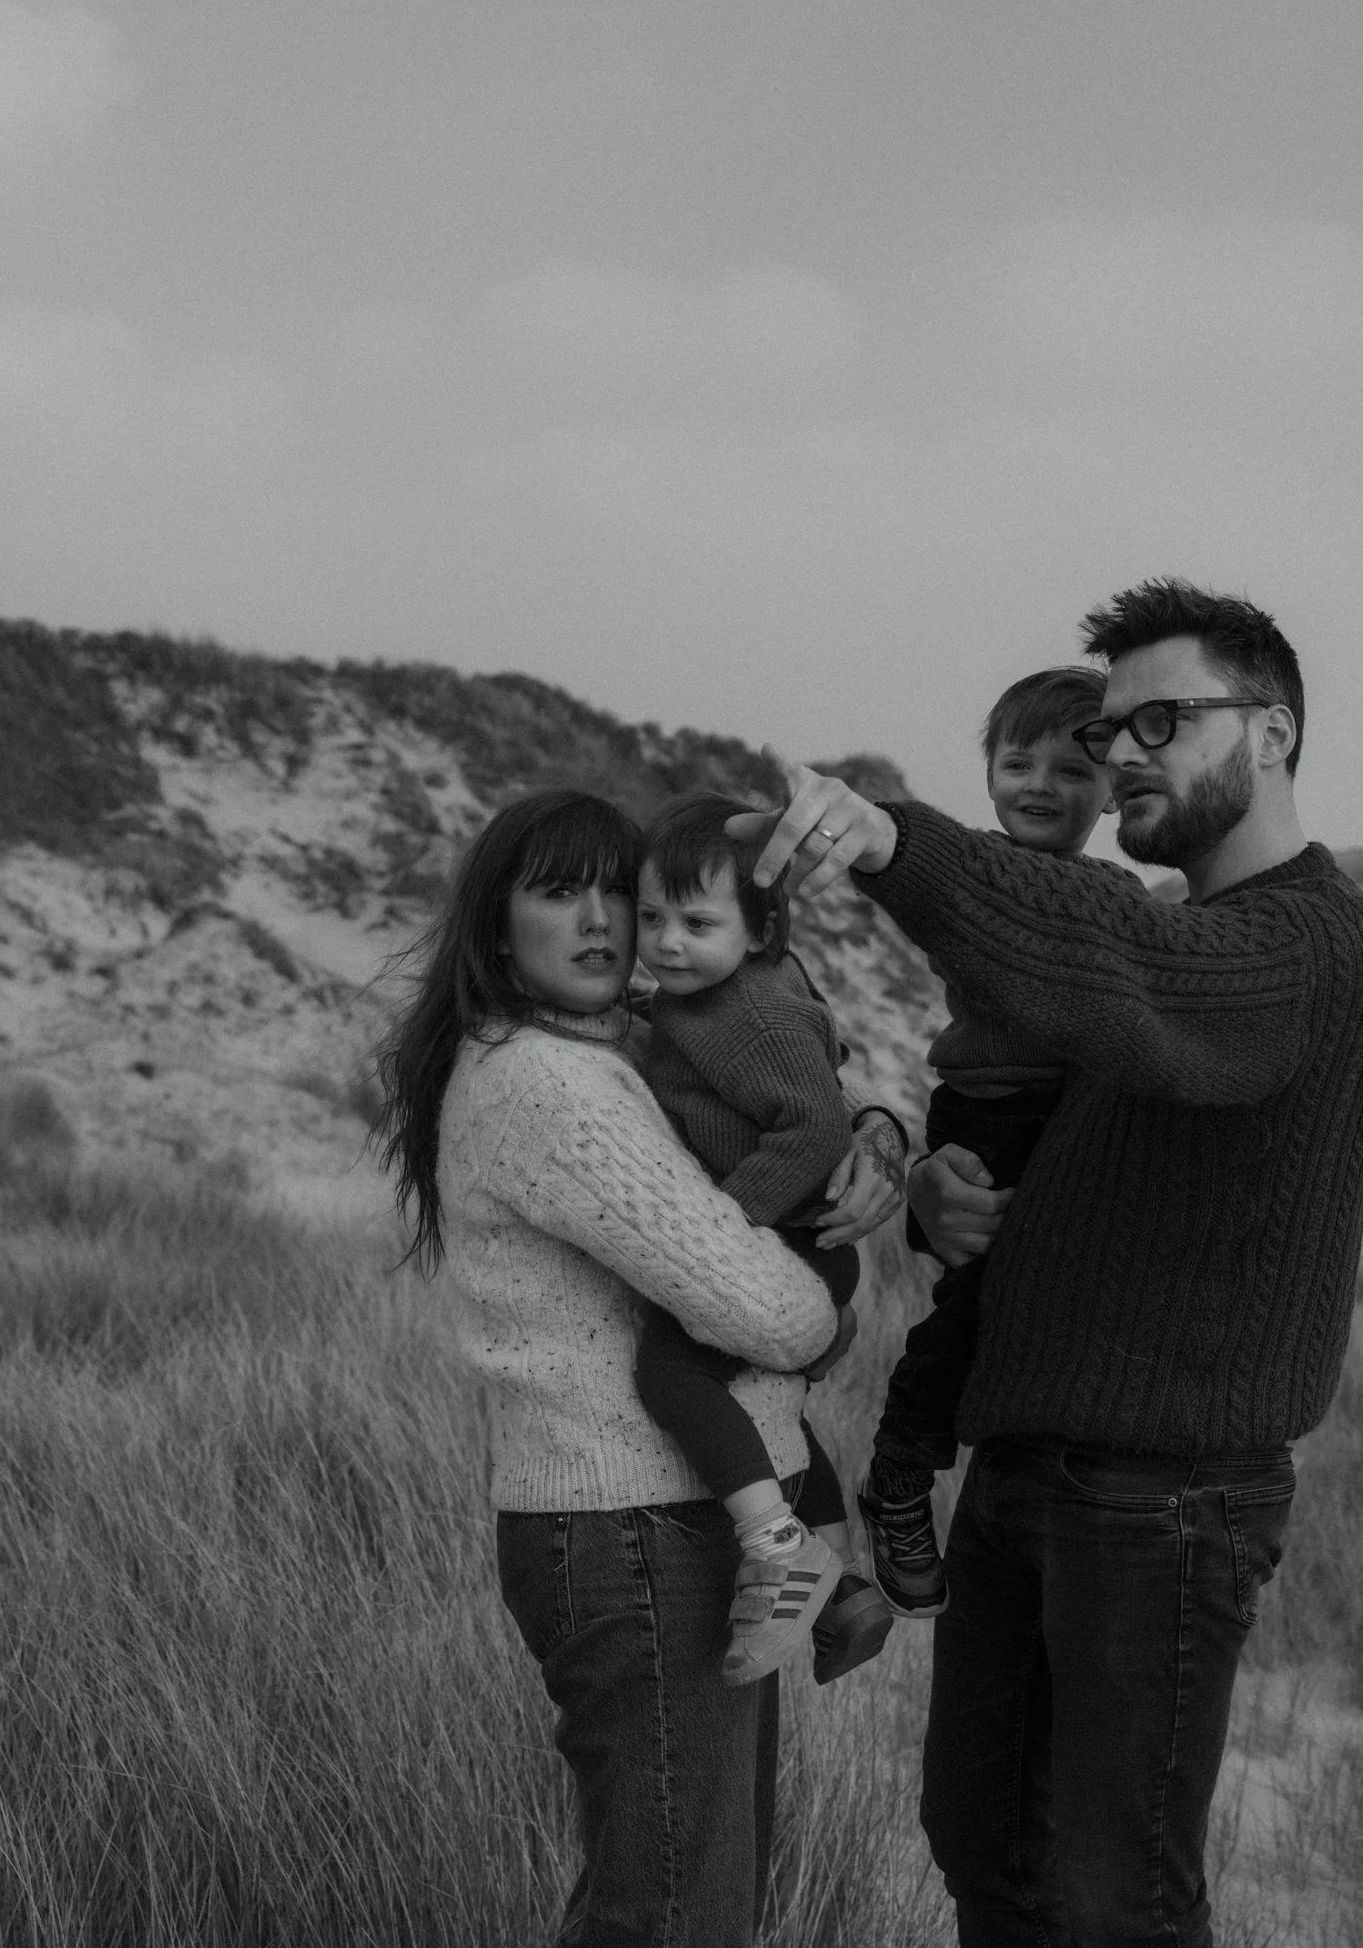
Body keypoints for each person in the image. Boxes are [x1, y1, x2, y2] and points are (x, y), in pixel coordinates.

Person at [730, 579, 1363, 1948]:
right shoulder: (1186, 935)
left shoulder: (1303, 941)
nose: (1119, 751)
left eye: (1162, 722)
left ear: (1270, 731)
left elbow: (1127, 977)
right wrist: (925, 1177)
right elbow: (1051, 1092)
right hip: (1026, 1474)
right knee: (988, 1857)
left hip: (1160, 1501)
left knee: (1112, 1901)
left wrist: (896, 842)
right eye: (1111, 727)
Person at [374, 786, 907, 1948]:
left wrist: (873, 1130)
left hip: (665, 1518)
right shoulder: (549, 1083)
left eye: (619, 888)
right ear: (495, 923)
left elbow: (774, 1080)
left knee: (693, 1898)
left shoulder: (605, 1047)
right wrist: (828, 1315)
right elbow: (759, 1305)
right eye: (557, 891)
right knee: (674, 1914)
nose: (603, 918)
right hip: (633, 1527)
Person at [858, 667, 1124, 1619]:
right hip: (988, 1113)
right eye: (1019, 763)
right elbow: (929, 881)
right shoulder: (977, 875)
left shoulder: (1115, 888)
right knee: (976, 1304)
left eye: (1072, 765)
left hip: (1062, 1116)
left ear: (1113, 784)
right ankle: (897, 1473)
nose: (1042, 784)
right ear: (988, 777)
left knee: (1040, 1301)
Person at [632, 793, 896, 1686]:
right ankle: (836, 1595)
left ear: (760, 930)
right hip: (791, 1232)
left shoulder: (751, 1014)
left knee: (670, 1369)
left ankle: (777, 1547)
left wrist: (722, 1229)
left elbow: (817, 1130)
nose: (667, 942)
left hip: (788, 1231)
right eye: (650, 917)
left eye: (696, 922)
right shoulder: (703, 995)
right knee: (768, 1411)